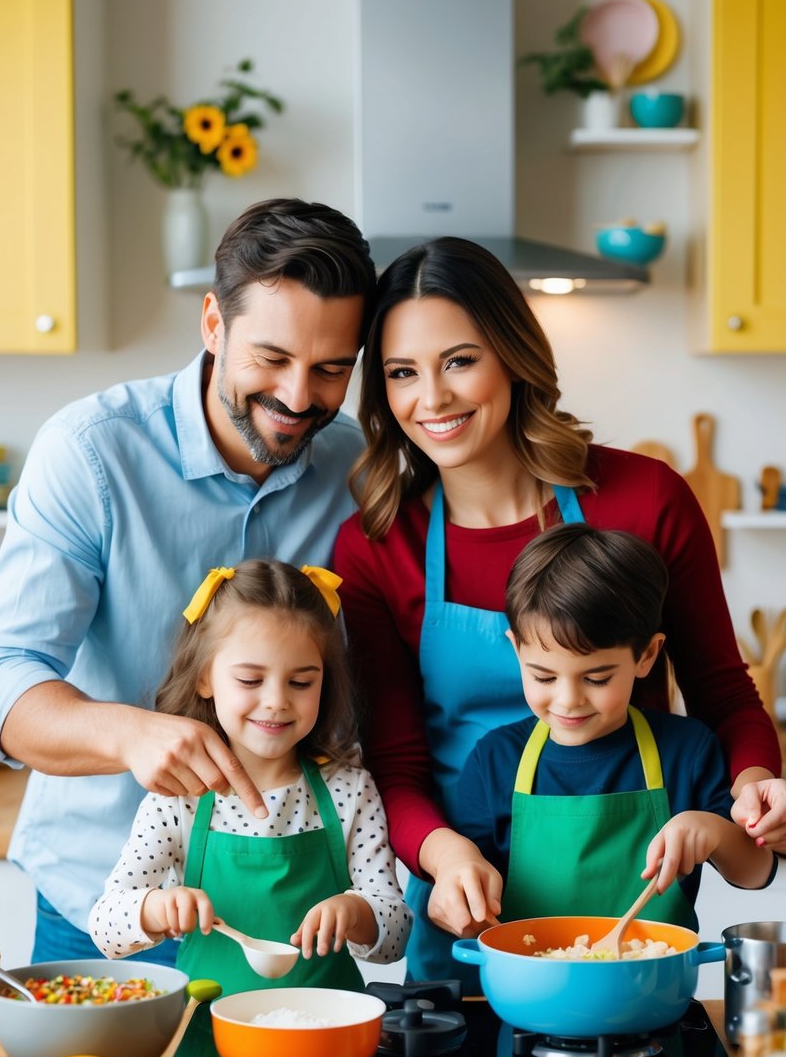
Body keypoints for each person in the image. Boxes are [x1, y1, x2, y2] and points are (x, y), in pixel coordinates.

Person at [333, 235, 786, 984]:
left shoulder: (645, 499)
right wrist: (447, 858)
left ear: (512, 354)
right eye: (401, 373)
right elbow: (397, 761)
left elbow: (720, 690)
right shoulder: (377, 545)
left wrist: (750, 792)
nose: (432, 398)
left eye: (459, 360)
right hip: (466, 895)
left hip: (629, 909)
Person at [0, 198, 378, 963]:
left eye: (330, 370)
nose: (297, 399)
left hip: (289, 922)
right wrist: (129, 733)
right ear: (214, 325)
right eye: (271, 359)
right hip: (107, 910)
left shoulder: (356, 470)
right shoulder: (91, 455)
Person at [89, 559, 411, 993]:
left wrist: (358, 913)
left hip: (327, 1036)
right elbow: (105, 926)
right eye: (250, 679)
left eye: (300, 683)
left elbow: (396, 935)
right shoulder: (178, 797)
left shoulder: (349, 790)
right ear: (205, 677)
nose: (276, 701)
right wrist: (157, 908)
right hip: (208, 1043)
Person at [451, 524, 776, 939]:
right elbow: (470, 892)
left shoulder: (687, 751)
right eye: (544, 677)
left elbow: (755, 872)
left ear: (647, 656)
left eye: (597, 679)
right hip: (527, 992)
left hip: (656, 993)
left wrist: (713, 832)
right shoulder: (494, 760)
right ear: (516, 650)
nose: (568, 700)